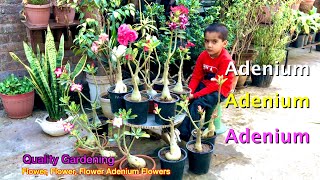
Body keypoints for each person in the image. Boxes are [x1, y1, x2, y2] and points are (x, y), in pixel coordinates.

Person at [178, 23, 235, 141]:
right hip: (206, 84)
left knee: (196, 104)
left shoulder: (226, 60)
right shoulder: (203, 56)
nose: (209, 45)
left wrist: (195, 95)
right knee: (185, 100)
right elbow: (196, 77)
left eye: (214, 42)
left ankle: (184, 135)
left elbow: (215, 85)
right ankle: (178, 128)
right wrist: (190, 92)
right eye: (206, 41)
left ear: (224, 43)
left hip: (220, 90)